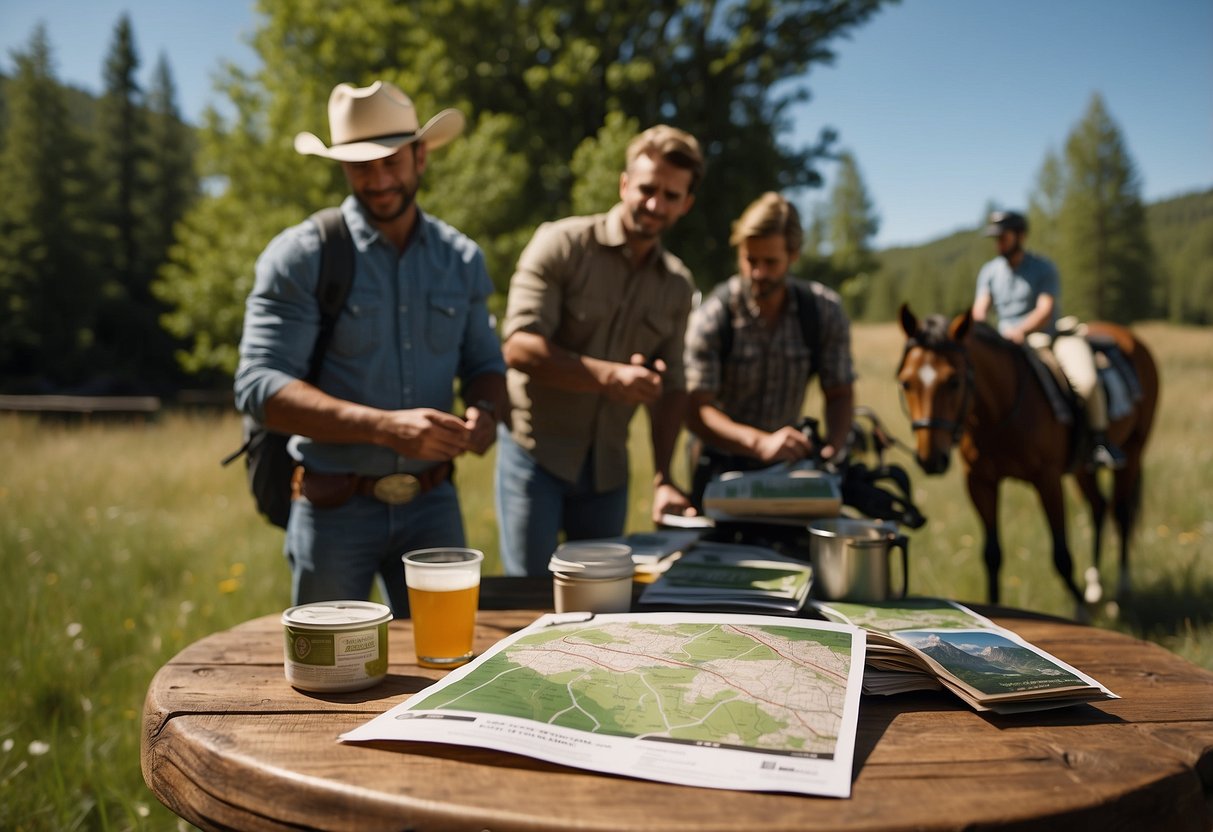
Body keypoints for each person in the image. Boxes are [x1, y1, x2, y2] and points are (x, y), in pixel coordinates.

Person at [233, 80, 507, 615]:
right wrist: (386, 427)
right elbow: (258, 387)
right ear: (341, 167)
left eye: (391, 161)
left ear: (420, 155)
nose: (378, 179)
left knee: (446, 673)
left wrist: (488, 412)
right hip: (333, 509)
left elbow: (485, 365)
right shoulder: (300, 255)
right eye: (361, 165)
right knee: (329, 683)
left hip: (435, 505)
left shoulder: (462, 259)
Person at [494, 125, 704, 576]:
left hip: (608, 468)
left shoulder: (677, 285)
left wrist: (664, 477)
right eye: (647, 188)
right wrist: (609, 376)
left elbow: (673, 388)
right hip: (536, 457)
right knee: (530, 598)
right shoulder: (563, 244)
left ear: (686, 204)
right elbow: (518, 347)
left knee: (602, 602)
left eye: (671, 195)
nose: (655, 204)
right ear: (624, 183)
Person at [683, 192, 856, 507]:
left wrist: (833, 449)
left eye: (770, 262)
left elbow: (840, 391)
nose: (758, 273)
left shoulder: (822, 312)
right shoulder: (714, 316)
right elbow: (696, 410)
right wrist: (759, 443)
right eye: (750, 260)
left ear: (793, 256)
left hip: (788, 471)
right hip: (720, 472)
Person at [971, 209, 1124, 469]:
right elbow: (980, 310)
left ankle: (1099, 442)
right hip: (1006, 344)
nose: (998, 244)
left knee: (1086, 382)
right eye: (995, 239)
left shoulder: (1043, 268)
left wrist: (1019, 331)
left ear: (1020, 236)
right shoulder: (989, 272)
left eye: (1003, 237)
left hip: (1050, 338)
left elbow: (1045, 310)